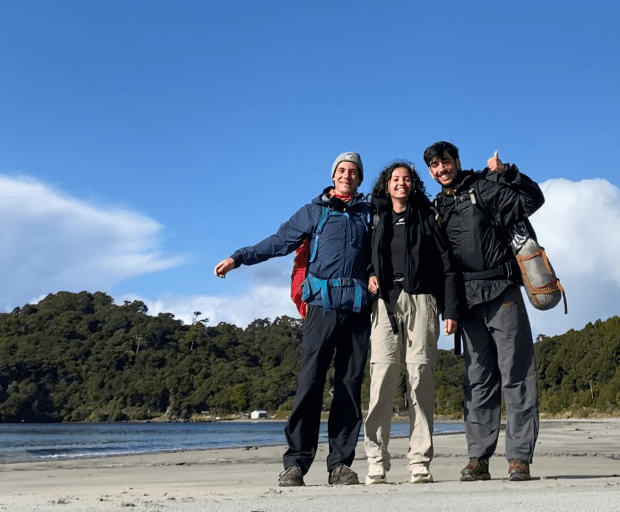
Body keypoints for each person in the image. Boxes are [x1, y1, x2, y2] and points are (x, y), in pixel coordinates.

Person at [214, 152, 373, 487]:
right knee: (309, 383)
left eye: (353, 171)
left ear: (359, 178)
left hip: (357, 309)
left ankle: (340, 466)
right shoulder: (313, 212)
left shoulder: (369, 213)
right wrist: (239, 258)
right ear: (333, 176)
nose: (347, 175)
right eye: (342, 170)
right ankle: (296, 465)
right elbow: (279, 242)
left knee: (348, 386)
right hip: (321, 308)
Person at [424, 141, 545, 482]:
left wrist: (507, 173)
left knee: (517, 375)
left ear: (456, 161)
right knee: (478, 382)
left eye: (445, 162)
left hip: (501, 291)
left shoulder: (484, 188)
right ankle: (478, 458)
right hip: (466, 302)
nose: (441, 169)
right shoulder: (437, 206)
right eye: (434, 166)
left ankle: (519, 458)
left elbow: (532, 201)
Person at [363, 161, 461, 485]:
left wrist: (450, 310)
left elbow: (447, 262)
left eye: (406, 178)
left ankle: (419, 463)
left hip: (422, 301)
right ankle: (376, 463)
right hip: (385, 303)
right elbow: (365, 255)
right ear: (387, 184)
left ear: (413, 183)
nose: (400, 183)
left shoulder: (426, 216)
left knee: (420, 378)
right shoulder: (377, 216)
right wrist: (370, 274)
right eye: (395, 179)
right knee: (382, 378)